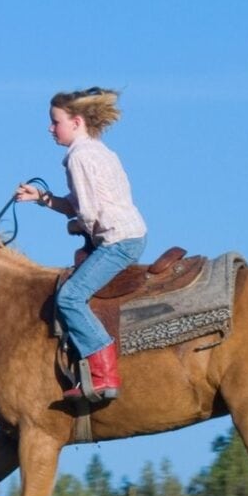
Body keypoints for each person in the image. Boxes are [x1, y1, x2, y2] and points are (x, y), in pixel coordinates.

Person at [15, 87, 147, 402]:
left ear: (75, 122)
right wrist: (43, 199)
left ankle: (104, 373)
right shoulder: (100, 151)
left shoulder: (79, 158)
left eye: (55, 121)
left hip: (117, 241)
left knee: (70, 298)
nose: (50, 128)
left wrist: (76, 225)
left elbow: (87, 213)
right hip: (131, 234)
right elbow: (81, 202)